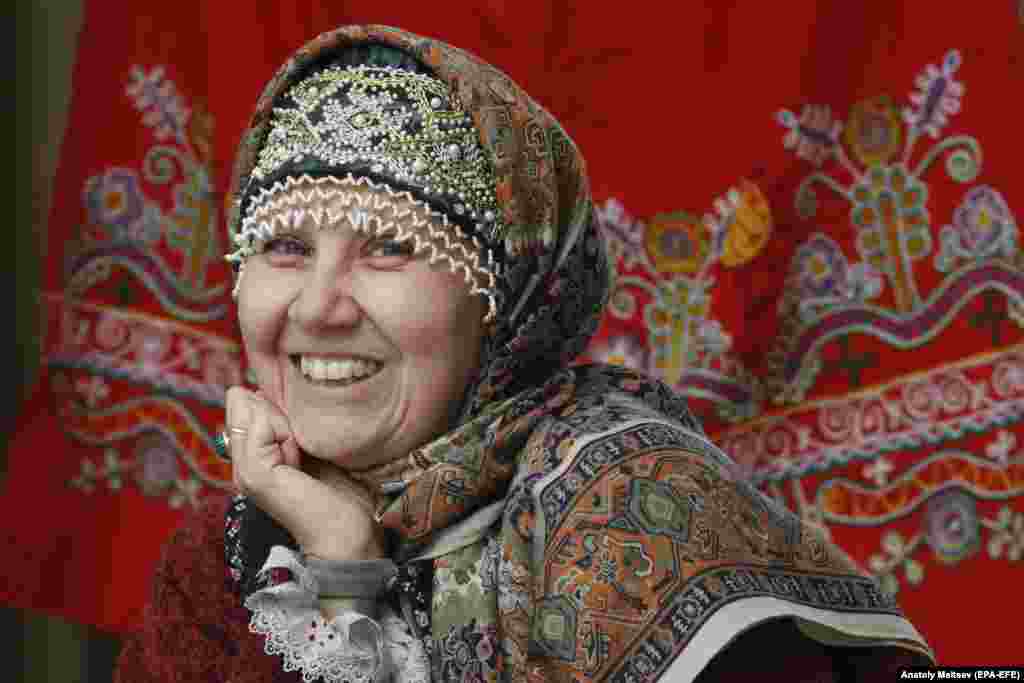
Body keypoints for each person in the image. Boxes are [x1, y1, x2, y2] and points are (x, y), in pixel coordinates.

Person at [114, 25, 934, 682]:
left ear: (506, 295)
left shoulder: (631, 520)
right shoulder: (219, 565)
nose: (320, 307)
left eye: (392, 247)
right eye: (284, 246)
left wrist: (347, 577)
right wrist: (333, 554)